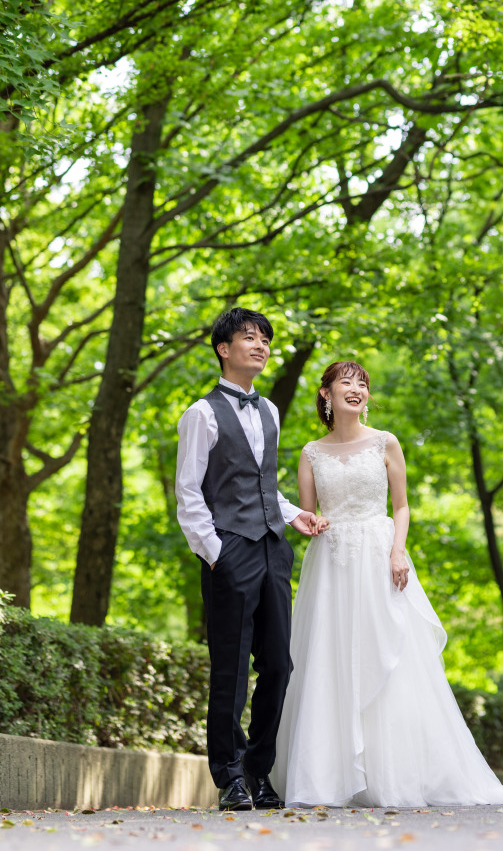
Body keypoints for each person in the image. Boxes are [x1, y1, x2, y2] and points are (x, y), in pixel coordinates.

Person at [272, 360, 503, 808]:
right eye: (346, 383)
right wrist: (311, 523)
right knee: (328, 657)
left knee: (388, 654)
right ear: (326, 394)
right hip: (332, 561)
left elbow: (402, 505)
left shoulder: (385, 442)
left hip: (379, 553)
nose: (356, 389)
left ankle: (395, 775)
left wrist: (397, 550)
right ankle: (326, 778)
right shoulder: (311, 452)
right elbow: (310, 514)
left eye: (362, 383)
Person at [175, 307, 321, 812]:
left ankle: (260, 772)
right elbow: (189, 493)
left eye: (265, 339)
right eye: (249, 337)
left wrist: (294, 515)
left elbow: (264, 484)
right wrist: (216, 552)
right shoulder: (200, 413)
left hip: (273, 548)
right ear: (224, 348)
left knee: (279, 664)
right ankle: (230, 776)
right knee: (231, 671)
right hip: (229, 550)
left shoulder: (270, 411)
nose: (260, 345)